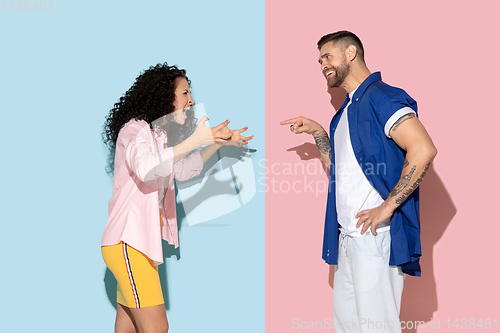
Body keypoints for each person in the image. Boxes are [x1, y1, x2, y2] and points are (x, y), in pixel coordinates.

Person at [281, 31, 437, 332]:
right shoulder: (343, 114)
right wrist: (318, 133)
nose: (322, 64)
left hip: (375, 238)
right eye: (319, 60)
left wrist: (387, 208)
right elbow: (338, 172)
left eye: (327, 56)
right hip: (347, 240)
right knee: (347, 327)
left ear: (351, 53)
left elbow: (423, 149)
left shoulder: (382, 96)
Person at [101, 63, 253, 333]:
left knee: (127, 329)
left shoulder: (158, 137)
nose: (191, 100)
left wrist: (215, 143)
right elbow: (148, 169)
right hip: (128, 242)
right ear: (164, 97)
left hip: (137, 246)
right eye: (185, 93)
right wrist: (196, 139)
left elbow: (181, 170)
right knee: (157, 328)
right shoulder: (135, 130)